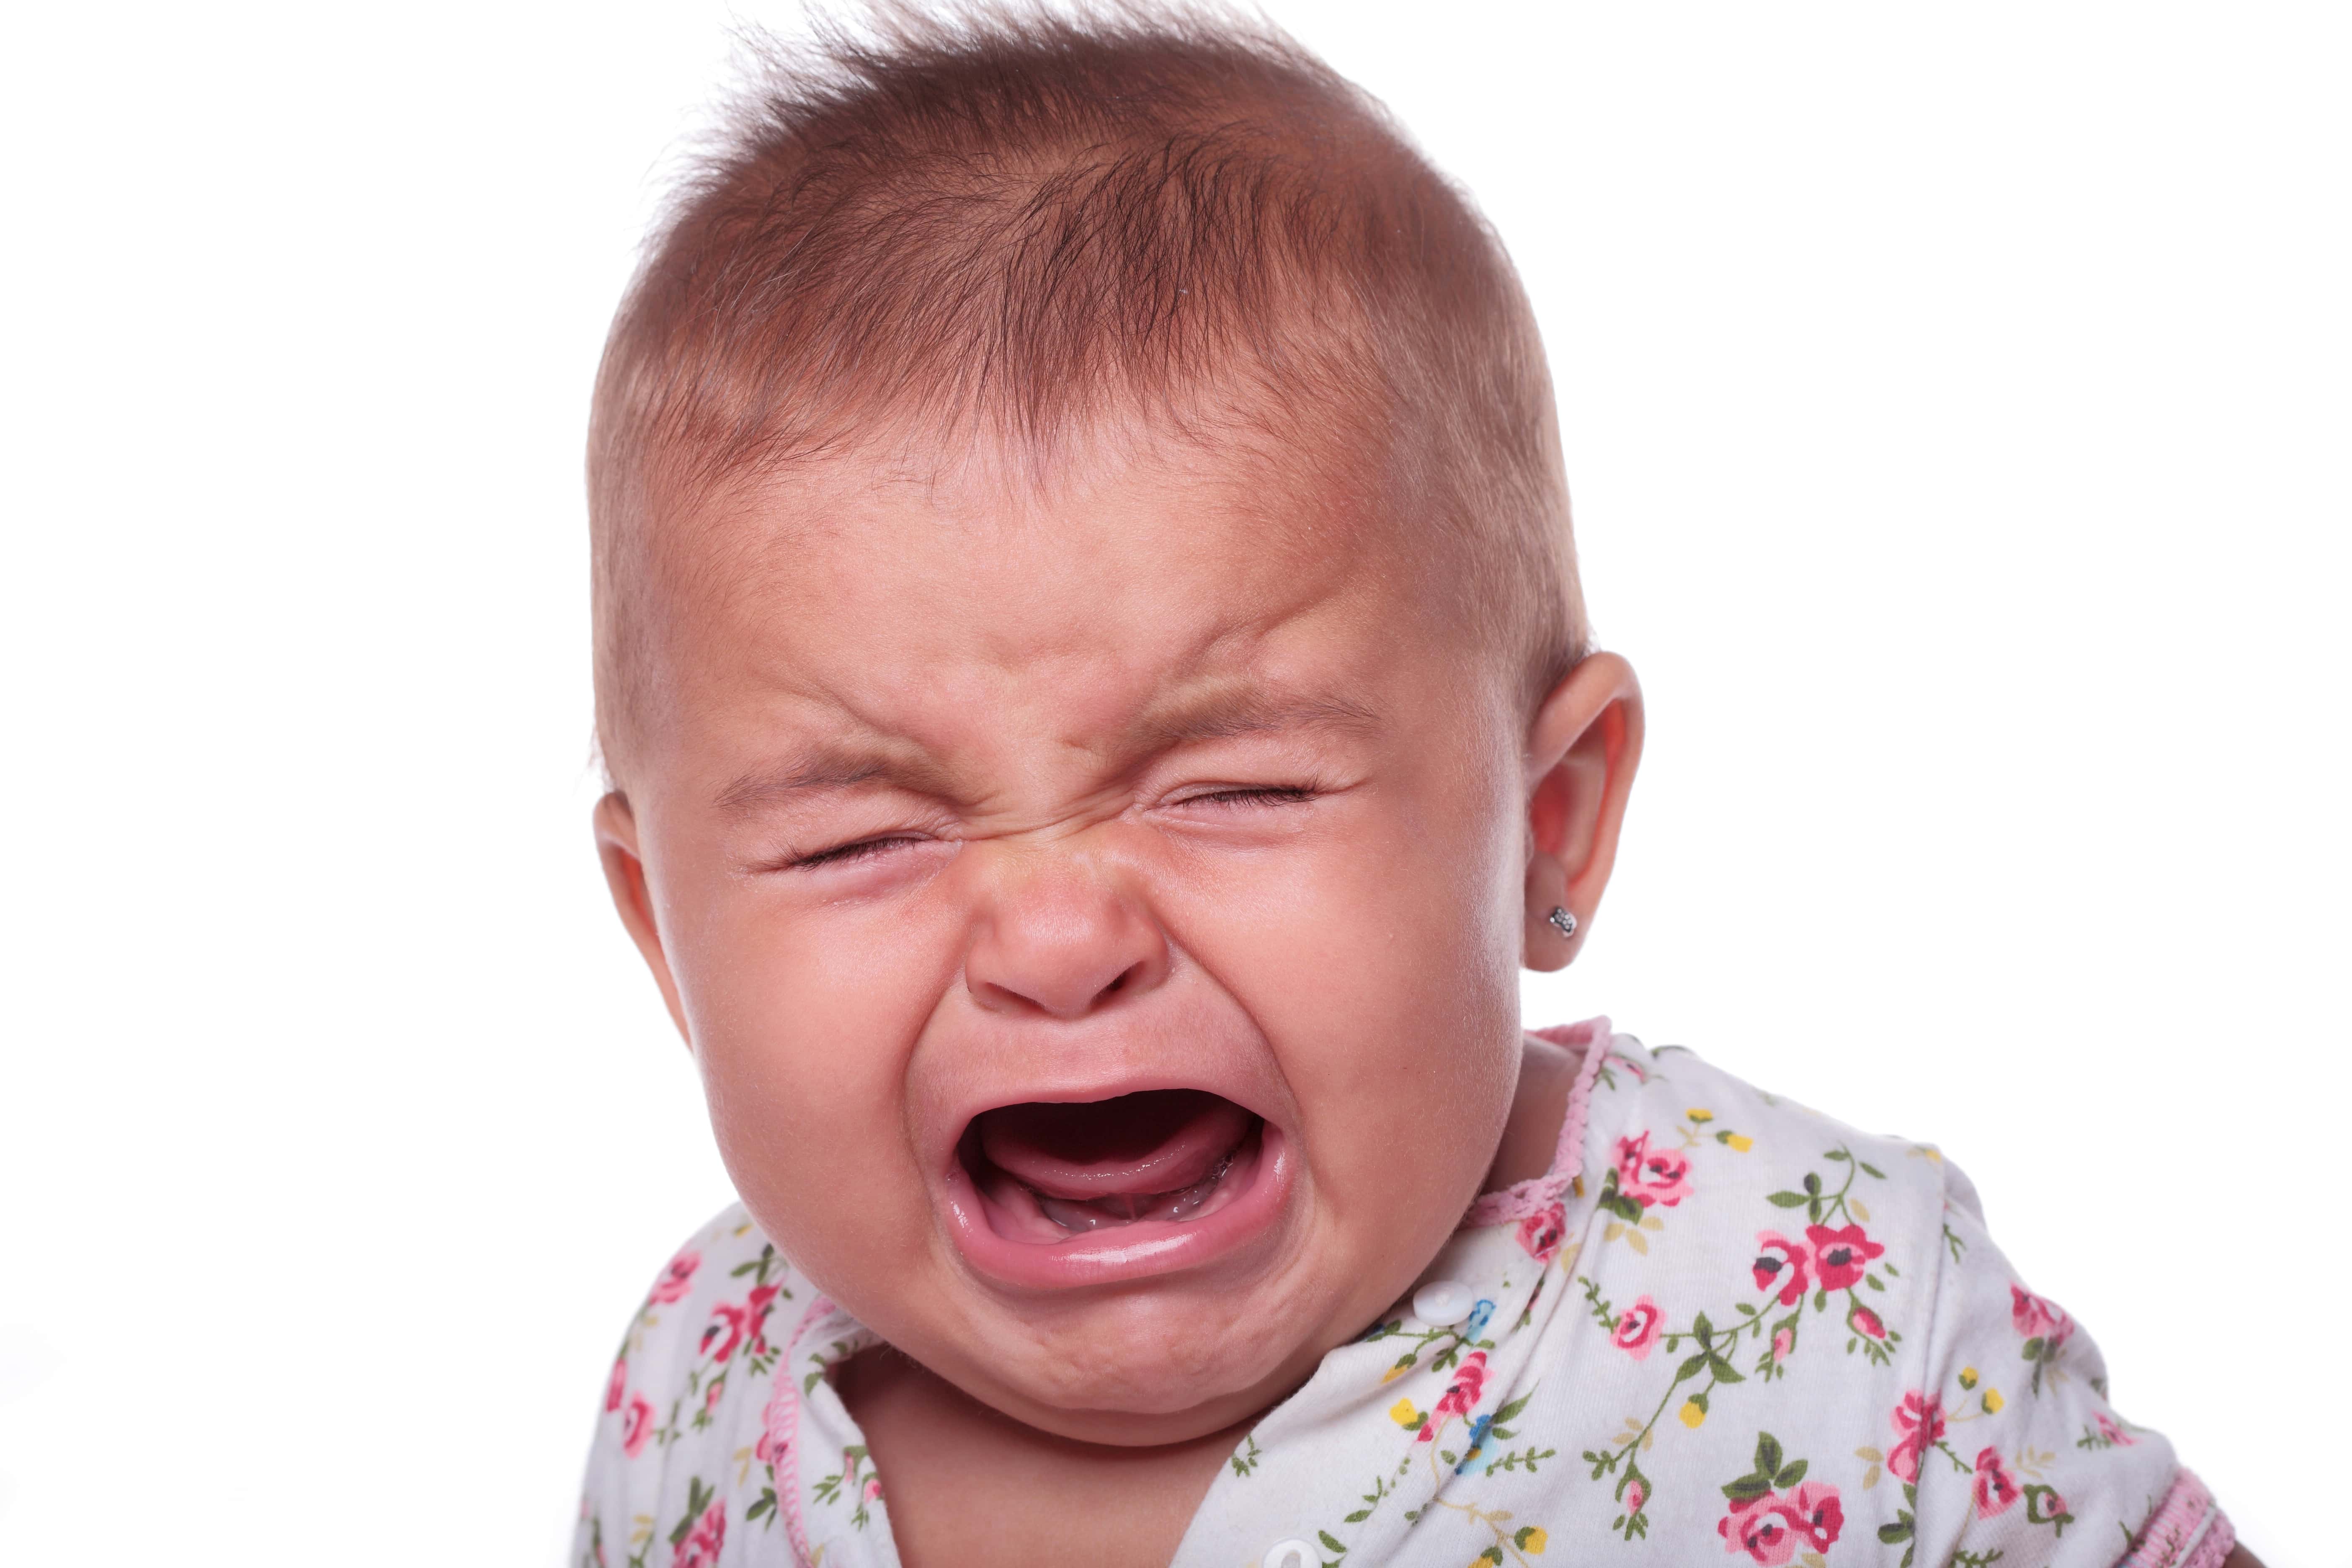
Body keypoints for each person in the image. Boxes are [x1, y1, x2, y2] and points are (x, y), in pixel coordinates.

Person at [573, 8, 2248, 1565]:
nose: (1061, 934)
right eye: (862, 837)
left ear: (1550, 822)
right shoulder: (698, 1390)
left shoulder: (1825, 1319)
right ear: (666, 937)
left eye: (1236, 789)